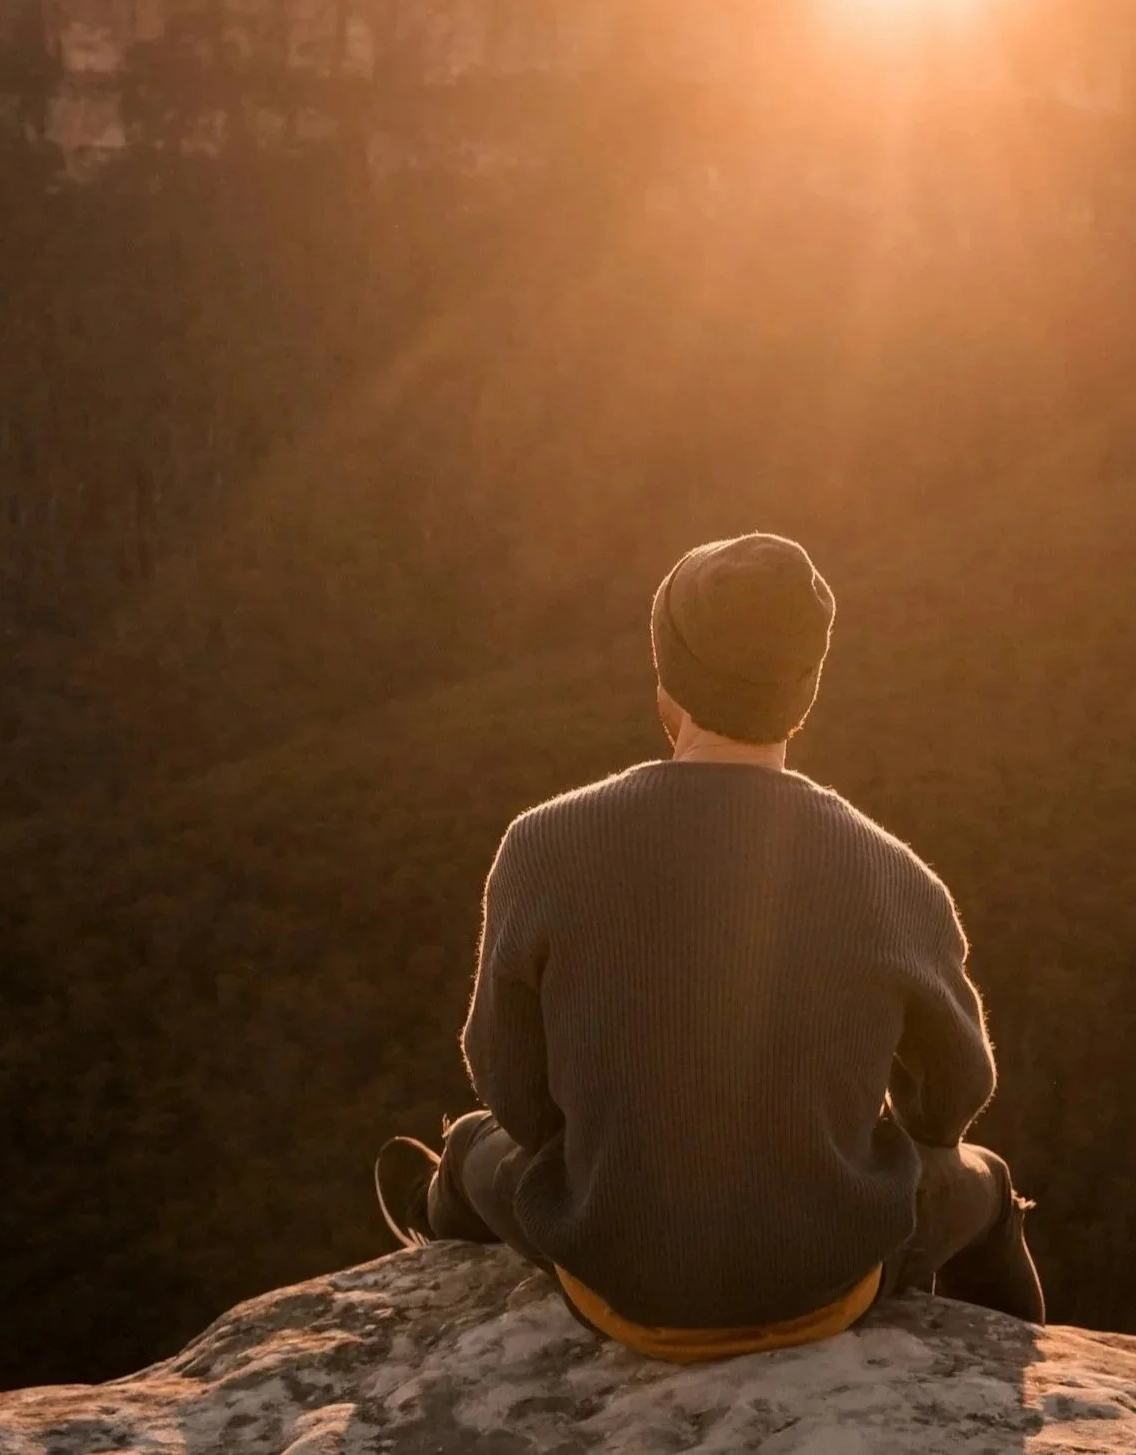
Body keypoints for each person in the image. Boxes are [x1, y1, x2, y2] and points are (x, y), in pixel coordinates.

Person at [376, 533, 1044, 1362]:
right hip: (830, 1285)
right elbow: (953, 1099)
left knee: (480, 1138)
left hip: (609, 1280)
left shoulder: (542, 844)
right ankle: (1009, 1367)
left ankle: (437, 1208)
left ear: (669, 680)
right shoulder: (892, 874)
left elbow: (515, 1093)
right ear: (804, 690)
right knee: (984, 1184)